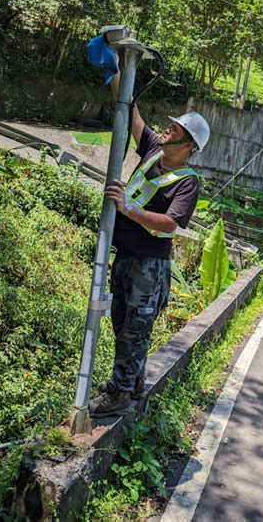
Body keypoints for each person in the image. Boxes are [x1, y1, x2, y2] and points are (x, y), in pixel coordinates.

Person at [89, 95, 210, 417]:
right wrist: (119, 67)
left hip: (149, 267)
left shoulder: (187, 182)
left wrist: (128, 208)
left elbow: (171, 223)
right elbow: (133, 114)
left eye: (176, 129)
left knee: (134, 329)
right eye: (170, 126)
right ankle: (135, 380)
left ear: (188, 145)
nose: (168, 130)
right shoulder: (154, 150)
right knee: (121, 323)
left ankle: (120, 393)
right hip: (126, 258)